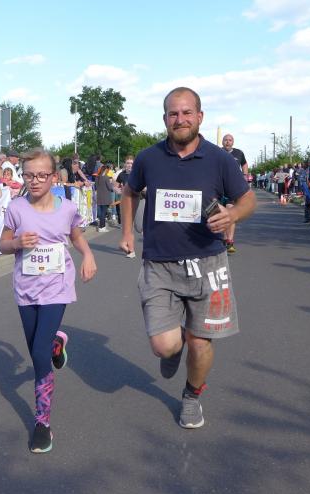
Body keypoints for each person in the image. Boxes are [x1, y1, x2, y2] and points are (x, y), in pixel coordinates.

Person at [119, 87, 256, 429]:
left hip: (208, 263)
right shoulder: (149, 158)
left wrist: (232, 215)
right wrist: (126, 232)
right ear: (165, 118)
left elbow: (247, 200)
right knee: (164, 346)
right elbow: (129, 191)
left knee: (200, 342)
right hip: (160, 264)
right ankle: (174, 346)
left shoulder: (220, 159)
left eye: (186, 112)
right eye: (173, 114)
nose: (180, 119)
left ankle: (192, 395)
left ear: (200, 116)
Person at [0, 148, 97, 453]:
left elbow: (77, 236)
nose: (35, 180)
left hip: (57, 287)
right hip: (26, 289)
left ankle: (42, 422)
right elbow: (2, 244)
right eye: (29, 175)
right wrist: (17, 242)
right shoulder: (16, 208)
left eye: (42, 175)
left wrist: (88, 256)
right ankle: (57, 342)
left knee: (39, 355)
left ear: (54, 177)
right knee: (36, 351)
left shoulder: (66, 208)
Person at [221, 134, 248, 254]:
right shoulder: (217, 152)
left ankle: (230, 241)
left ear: (233, 142)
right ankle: (223, 239)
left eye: (230, 140)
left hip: (232, 188)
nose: (228, 142)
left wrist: (245, 175)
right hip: (218, 187)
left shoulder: (239, 153)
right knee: (220, 215)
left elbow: (244, 164)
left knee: (230, 212)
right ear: (222, 142)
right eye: (225, 140)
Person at [95, 165, 114, 232]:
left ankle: (101, 226)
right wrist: (112, 186)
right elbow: (110, 187)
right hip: (105, 197)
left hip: (99, 197)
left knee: (101, 212)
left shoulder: (97, 177)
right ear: (105, 170)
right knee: (103, 213)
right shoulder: (106, 177)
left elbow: (96, 186)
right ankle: (102, 227)